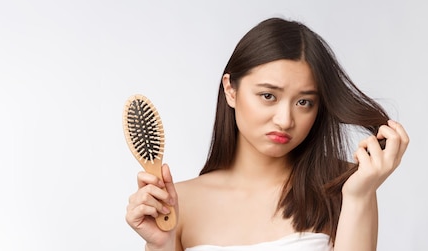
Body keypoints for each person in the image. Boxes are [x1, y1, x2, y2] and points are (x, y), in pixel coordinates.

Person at [125, 17, 410, 251]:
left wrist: (359, 196)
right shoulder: (178, 205)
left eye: (304, 102)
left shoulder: (342, 190)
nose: (285, 120)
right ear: (230, 89)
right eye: (268, 96)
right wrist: (160, 245)